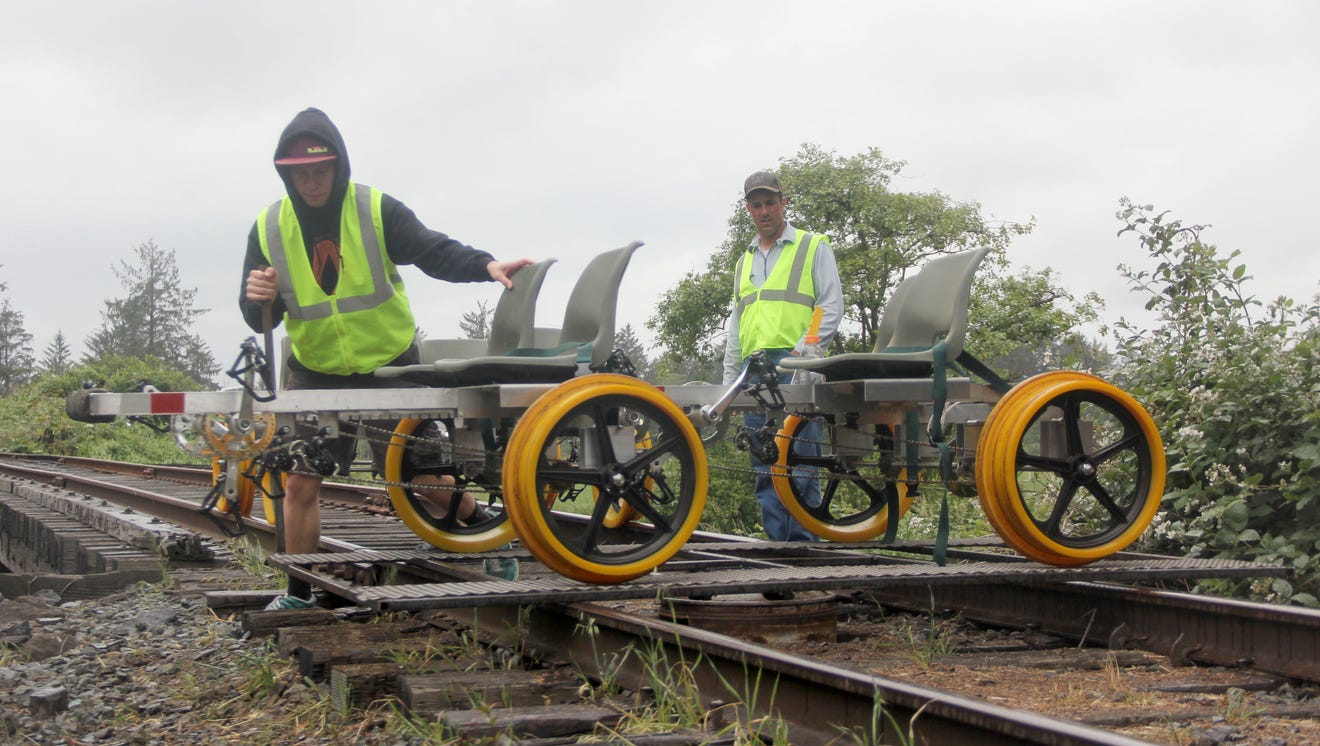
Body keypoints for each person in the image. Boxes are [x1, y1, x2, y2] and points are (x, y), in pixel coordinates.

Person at [240, 107, 533, 609]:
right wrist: (256, 296)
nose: (312, 183)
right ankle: (299, 594)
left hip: (389, 366)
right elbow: (256, 318)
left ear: (339, 166)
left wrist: (485, 265)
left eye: (321, 171)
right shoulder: (269, 228)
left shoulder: (374, 210)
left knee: (423, 481)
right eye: (301, 173)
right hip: (314, 373)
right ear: (286, 173)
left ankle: (488, 535)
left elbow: (431, 250)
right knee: (300, 480)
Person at [722, 170, 843, 543]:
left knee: (801, 464)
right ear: (748, 209)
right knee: (764, 465)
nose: (764, 211)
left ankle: (806, 555)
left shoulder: (812, 247)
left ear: (783, 203)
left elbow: (830, 303)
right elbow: (737, 324)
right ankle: (780, 551)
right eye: (756, 204)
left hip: (796, 366)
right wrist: (729, 381)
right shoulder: (744, 261)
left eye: (770, 203)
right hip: (754, 370)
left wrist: (808, 349)